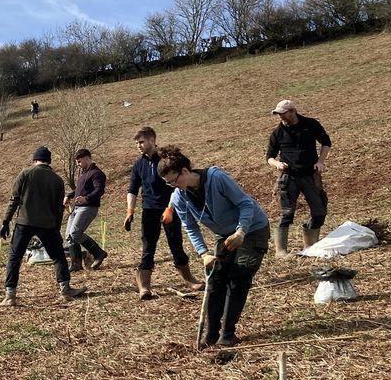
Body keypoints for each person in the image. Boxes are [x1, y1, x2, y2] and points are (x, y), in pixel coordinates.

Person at [158, 146, 270, 347]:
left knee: (239, 277)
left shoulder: (217, 178)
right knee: (216, 279)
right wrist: (204, 254)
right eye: (168, 184)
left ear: (185, 171)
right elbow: (190, 226)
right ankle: (210, 334)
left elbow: (246, 204)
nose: (174, 186)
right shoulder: (178, 196)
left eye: (174, 180)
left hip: (252, 229)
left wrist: (241, 232)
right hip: (225, 234)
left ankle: (227, 335)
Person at [0, 147, 87, 306]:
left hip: (24, 223)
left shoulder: (25, 174)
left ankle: (10, 295)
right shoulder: (57, 180)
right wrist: (57, 228)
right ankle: (65, 289)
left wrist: (6, 222)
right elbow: (59, 208)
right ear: (49, 161)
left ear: (34, 160)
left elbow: (14, 200)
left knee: (14, 257)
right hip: (48, 225)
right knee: (58, 256)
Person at [125, 126, 205, 299]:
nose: (138, 146)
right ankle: (144, 286)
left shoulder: (166, 159)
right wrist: (130, 210)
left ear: (152, 140)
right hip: (149, 211)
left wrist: (170, 208)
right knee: (148, 248)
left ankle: (189, 279)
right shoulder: (138, 165)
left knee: (176, 245)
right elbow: (132, 189)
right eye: (136, 143)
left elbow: (177, 185)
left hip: (171, 208)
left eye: (141, 142)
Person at [266, 99, 332, 257]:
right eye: (278, 114)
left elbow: (326, 142)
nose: (281, 117)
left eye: (283, 114)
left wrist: (320, 161)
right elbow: (269, 156)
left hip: (310, 175)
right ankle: (280, 251)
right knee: (286, 213)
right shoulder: (278, 132)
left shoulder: (310, 124)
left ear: (293, 111)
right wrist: (277, 164)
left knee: (319, 211)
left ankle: (311, 247)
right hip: (289, 178)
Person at [64, 148, 108, 272]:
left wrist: (86, 199)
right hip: (77, 208)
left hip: (89, 207)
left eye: (79, 161)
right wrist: (69, 195)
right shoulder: (83, 174)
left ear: (87, 158)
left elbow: (99, 190)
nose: (78, 164)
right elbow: (79, 190)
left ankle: (98, 253)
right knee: (69, 236)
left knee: (75, 233)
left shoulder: (97, 173)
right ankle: (76, 264)